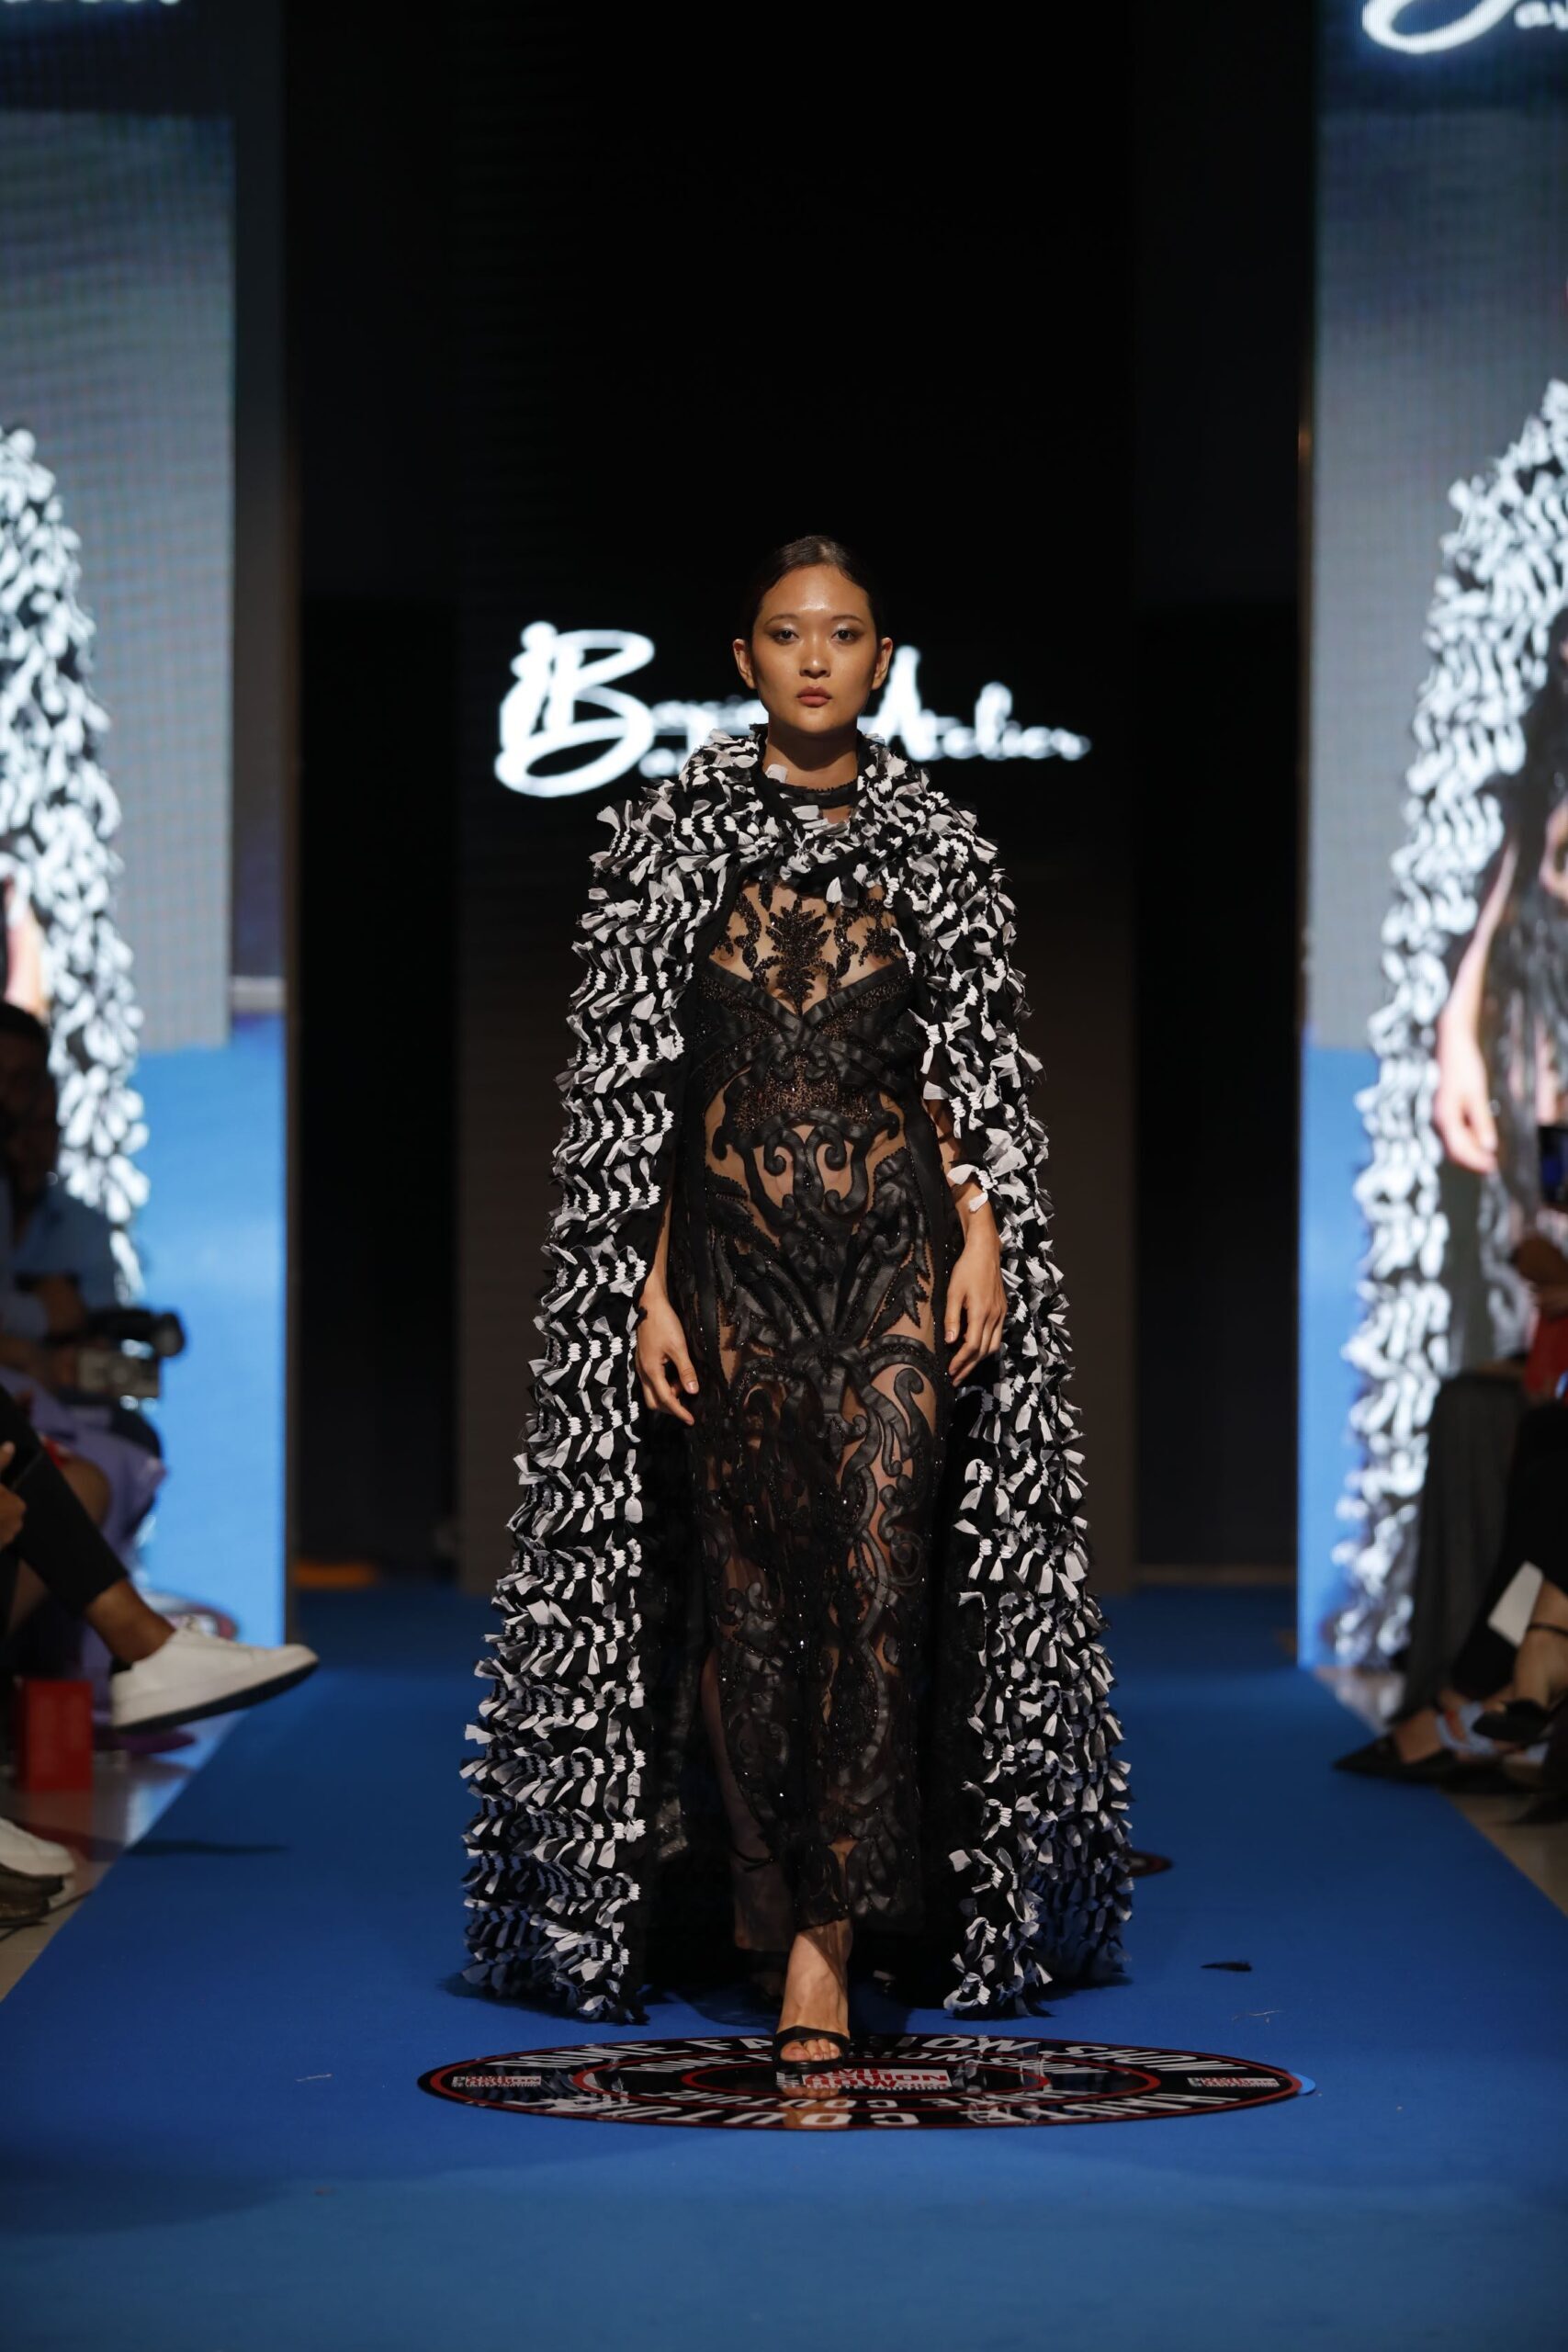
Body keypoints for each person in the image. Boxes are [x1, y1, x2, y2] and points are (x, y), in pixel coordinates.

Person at [463, 536, 1132, 2083]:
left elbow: (975, 1077)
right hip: (728, 1277)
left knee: (884, 1580)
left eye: (842, 635)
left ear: (882, 661)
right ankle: (763, 1896)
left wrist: (984, 1234)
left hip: (894, 1263)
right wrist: (645, 1286)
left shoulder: (941, 845)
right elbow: (637, 1103)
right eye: (786, 633)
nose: (815, 657)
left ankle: (828, 1941)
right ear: (746, 658)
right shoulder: (665, 839)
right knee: (755, 1601)